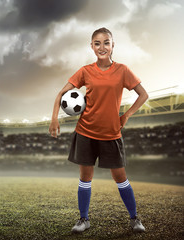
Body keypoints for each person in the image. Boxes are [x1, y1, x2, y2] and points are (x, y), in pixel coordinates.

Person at [49, 27, 148, 233]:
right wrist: (54, 119)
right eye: (97, 43)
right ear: (92, 46)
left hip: (111, 133)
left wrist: (126, 115)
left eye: (106, 42)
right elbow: (61, 94)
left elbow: (143, 94)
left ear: (113, 46)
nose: (102, 47)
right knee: (85, 178)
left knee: (120, 177)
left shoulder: (123, 70)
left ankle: (135, 218)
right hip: (85, 132)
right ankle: (83, 219)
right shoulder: (85, 71)